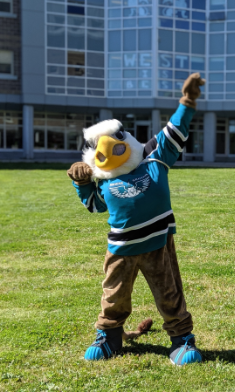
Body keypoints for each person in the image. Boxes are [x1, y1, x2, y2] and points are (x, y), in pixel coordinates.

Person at [66, 74, 205, 365]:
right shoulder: (103, 181)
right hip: (121, 249)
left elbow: (174, 131)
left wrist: (187, 102)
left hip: (157, 244)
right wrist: (81, 183)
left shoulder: (153, 159)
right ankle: (109, 337)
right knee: (114, 294)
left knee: (169, 293)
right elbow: (95, 206)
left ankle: (181, 340)